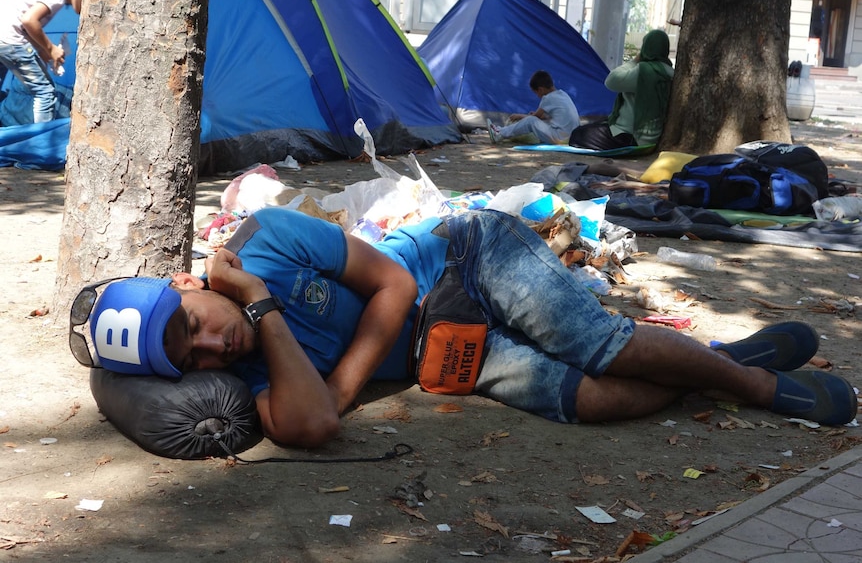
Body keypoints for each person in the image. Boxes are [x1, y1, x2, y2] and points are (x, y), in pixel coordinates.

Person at [71, 207, 857, 448]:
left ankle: (755, 383)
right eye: (190, 356)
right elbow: (310, 423)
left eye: (192, 322)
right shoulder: (236, 367)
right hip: (432, 348)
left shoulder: (267, 239)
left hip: (464, 259)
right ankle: (708, 363)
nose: (212, 342)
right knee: (580, 397)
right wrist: (264, 316)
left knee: (597, 341)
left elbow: (394, 280)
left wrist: (341, 380)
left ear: (185, 281)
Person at [569, 29, 674, 151]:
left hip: (630, 136)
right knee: (596, 125)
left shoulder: (643, 72)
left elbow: (611, 81)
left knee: (578, 134)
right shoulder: (671, 73)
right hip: (652, 137)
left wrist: (635, 60)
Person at [0, 0, 82, 124]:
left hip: (4, 37)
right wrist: (51, 48)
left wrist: (42, 49)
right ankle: (41, 139)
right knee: (45, 92)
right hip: (9, 40)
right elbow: (28, 20)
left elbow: (23, 25)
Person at [486, 70, 580, 145]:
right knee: (533, 120)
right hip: (572, 136)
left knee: (530, 121)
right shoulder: (562, 94)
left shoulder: (548, 98)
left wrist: (520, 116)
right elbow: (550, 116)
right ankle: (501, 131)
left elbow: (535, 117)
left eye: (536, 93)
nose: (537, 96)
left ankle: (500, 133)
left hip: (560, 138)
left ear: (540, 89)